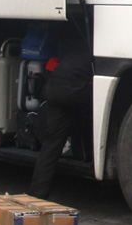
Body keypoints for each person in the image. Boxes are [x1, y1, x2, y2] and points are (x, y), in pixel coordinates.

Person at [28, 25, 93, 199]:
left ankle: (37, 194)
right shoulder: (97, 49)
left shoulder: (72, 48)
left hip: (54, 89)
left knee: (52, 144)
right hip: (75, 90)